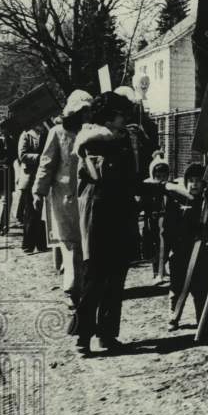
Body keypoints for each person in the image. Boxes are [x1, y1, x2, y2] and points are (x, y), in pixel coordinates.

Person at [71, 92, 140, 356]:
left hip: (118, 211)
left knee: (116, 276)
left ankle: (106, 334)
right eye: (122, 114)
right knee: (96, 275)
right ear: (110, 117)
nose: (126, 119)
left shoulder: (120, 139)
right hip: (99, 211)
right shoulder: (94, 140)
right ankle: (83, 336)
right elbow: (102, 175)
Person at [34, 90, 94, 308]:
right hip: (64, 198)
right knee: (71, 246)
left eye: (89, 111)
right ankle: (71, 289)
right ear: (74, 112)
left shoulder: (91, 133)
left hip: (87, 197)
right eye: (83, 111)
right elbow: (47, 163)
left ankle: (84, 286)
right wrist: (38, 192)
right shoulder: (58, 133)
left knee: (86, 245)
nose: (87, 116)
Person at [163, 162, 208, 330]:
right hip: (181, 253)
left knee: (203, 288)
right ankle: (174, 316)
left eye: (198, 181)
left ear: (204, 184)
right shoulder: (178, 201)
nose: (194, 184)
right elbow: (169, 227)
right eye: (191, 180)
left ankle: (203, 320)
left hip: (203, 254)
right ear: (186, 182)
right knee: (177, 288)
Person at [17, 121, 50, 253]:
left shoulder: (47, 132)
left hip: (42, 177)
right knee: (30, 213)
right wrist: (41, 157)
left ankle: (42, 243)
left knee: (42, 213)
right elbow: (22, 155)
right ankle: (28, 245)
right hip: (29, 178)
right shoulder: (26, 135)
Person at [141, 153, 171, 282]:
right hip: (152, 222)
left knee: (165, 246)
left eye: (164, 176)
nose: (161, 179)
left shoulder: (169, 188)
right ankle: (156, 272)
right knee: (154, 247)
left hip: (166, 222)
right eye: (158, 176)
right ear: (153, 176)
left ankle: (162, 269)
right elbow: (143, 204)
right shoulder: (149, 188)